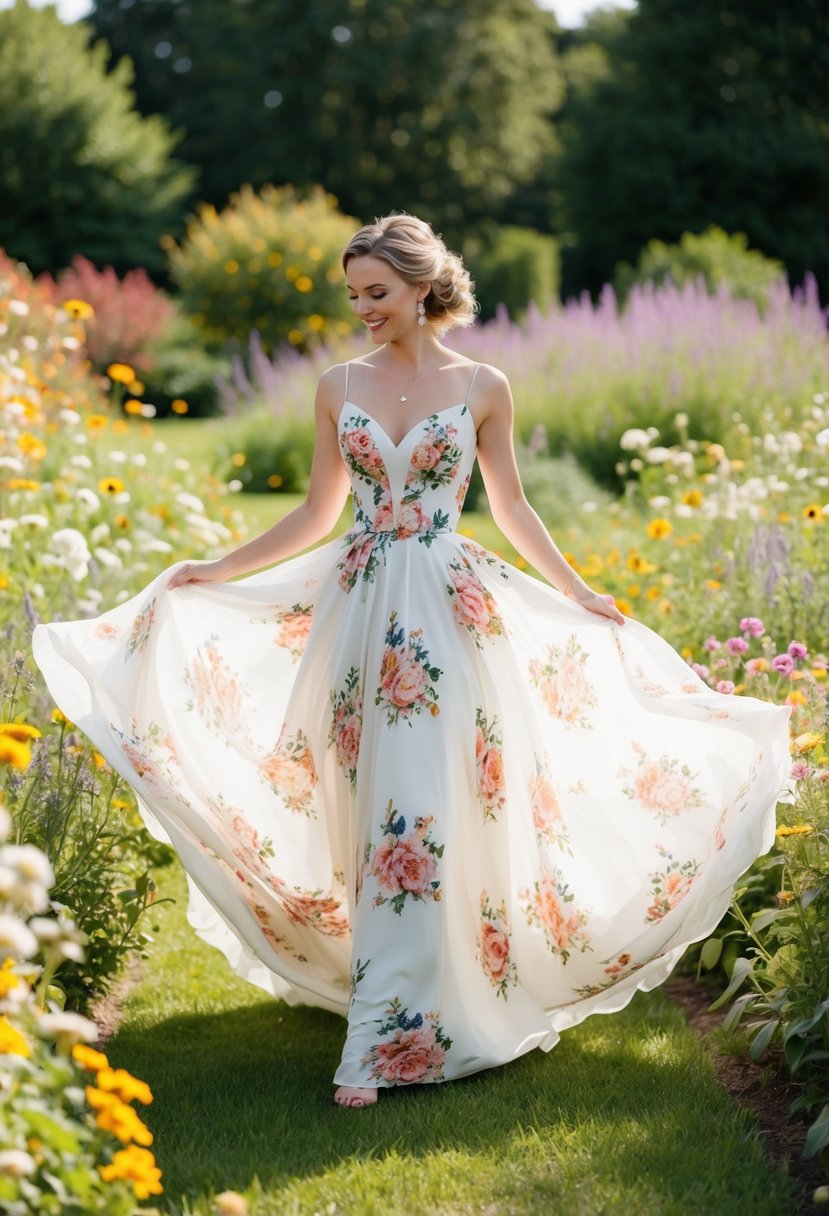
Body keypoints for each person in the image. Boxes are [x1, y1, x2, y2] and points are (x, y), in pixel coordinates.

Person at [32, 212, 793, 1111]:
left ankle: (382, 1041)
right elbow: (318, 512)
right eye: (353, 293)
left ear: (423, 288)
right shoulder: (335, 383)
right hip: (355, 619)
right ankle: (394, 999)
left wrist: (581, 590)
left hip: (445, 617)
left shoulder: (482, 386)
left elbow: (510, 507)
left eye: (377, 293)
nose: (362, 308)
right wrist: (217, 568)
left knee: (423, 811)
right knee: (370, 813)